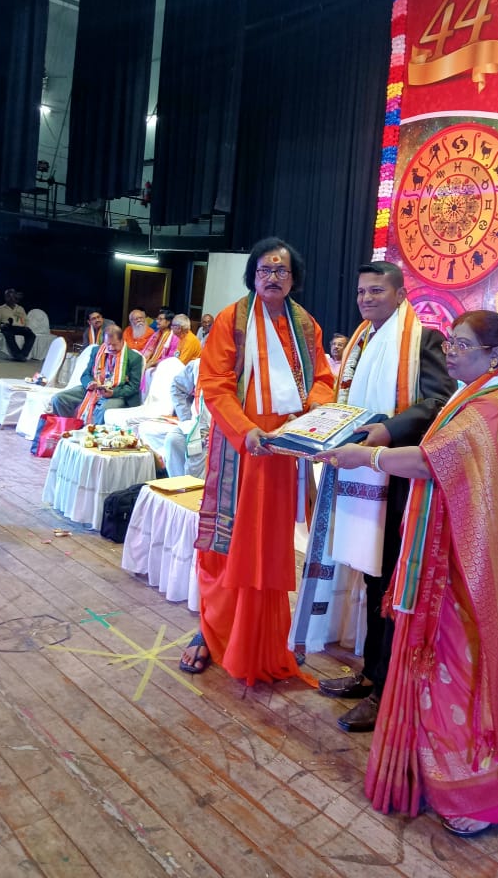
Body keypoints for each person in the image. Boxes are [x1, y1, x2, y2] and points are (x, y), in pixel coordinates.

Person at [318, 310, 498, 837]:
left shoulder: (494, 407)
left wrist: (367, 457)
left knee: (458, 679)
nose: (450, 351)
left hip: (465, 571)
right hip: (451, 561)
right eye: (449, 342)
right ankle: (433, 777)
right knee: (438, 676)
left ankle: (474, 798)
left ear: (493, 356)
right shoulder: (475, 398)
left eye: (462, 344)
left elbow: (431, 462)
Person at [295, 262, 455, 734]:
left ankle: (387, 691)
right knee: (371, 577)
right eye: (361, 291)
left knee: (391, 584)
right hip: (361, 471)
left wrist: (388, 429)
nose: (366, 298)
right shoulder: (361, 343)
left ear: (401, 295)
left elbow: (438, 401)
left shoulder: (422, 340)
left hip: (400, 476)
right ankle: (371, 673)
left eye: (377, 291)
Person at [178, 238, 334, 685]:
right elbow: (215, 383)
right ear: (253, 276)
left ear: (293, 279)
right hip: (241, 449)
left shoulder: (306, 325)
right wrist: (246, 431)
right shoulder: (232, 319)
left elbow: (323, 380)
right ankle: (212, 630)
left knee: (268, 545)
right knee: (227, 545)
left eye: (281, 270)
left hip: (283, 454)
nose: (272, 277)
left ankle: (262, 636)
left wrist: (311, 415)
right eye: (265, 270)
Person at [51, 325, 142, 424]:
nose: (111, 348)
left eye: (114, 344)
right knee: (58, 399)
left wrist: (113, 393)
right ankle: (68, 427)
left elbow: (133, 387)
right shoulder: (96, 351)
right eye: (108, 344)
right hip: (94, 389)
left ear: (122, 341)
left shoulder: (134, 358)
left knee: (104, 409)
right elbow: (86, 374)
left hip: (117, 394)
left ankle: (94, 433)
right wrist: (90, 383)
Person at [162, 361, 210, 479]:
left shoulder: (236, 366)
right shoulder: (198, 364)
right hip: (196, 423)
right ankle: (179, 485)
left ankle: (195, 487)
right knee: (173, 440)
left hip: (219, 429)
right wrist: (186, 417)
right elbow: (177, 387)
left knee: (199, 452)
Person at [0, 287, 35, 361]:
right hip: (7, 327)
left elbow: (26, 320)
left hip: (20, 327)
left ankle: (23, 354)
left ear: (15, 297)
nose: (10, 298)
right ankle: (18, 355)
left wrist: (26, 326)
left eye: (12, 296)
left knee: (31, 335)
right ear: (5, 298)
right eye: (8, 296)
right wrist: (0, 325)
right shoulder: (0, 309)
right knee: (8, 333)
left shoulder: (20, 308)